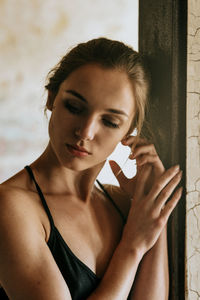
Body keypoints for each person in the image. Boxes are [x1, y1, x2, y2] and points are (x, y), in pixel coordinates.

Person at [0, 37, 183, 300]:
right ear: (52, 97)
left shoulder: (123, 206)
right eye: (74, 107)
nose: (85, 132)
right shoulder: (11, 207)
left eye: (109, 121)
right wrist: (131, 246)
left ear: (129, 131)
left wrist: (152, 207)